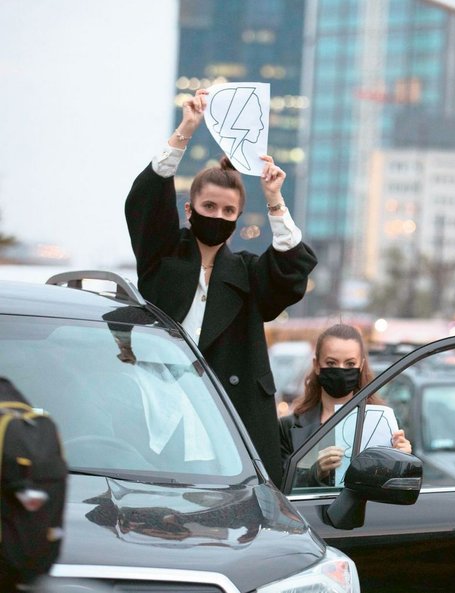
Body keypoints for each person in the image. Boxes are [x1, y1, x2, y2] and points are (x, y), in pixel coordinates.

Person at [125, 89, 317, 485]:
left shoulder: (247, 273)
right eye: (209, 207)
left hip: (230, 422)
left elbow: (292, 270)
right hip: (155, 411)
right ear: (189, 209)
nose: (219, 216)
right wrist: (186, 129)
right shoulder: (162, 256)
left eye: (229, 211)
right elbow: (144, 201)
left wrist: (275, 201)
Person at [279, 324, 411, 486]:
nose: (340, 370)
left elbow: (396, 489)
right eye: (332, 363)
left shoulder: (384, 423)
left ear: (361, 366)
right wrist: (315, 472)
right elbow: (279, 488)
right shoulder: (288, 427)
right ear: (316, 365)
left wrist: (403, 460)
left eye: (349, 364)